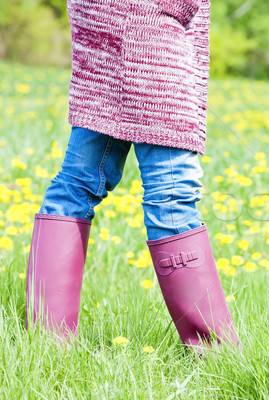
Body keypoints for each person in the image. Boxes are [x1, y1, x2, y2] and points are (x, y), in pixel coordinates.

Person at [25, 0, 240, 352]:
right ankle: (216, 356)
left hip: (105, 20)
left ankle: (45, 344)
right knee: (173, 196)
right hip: (147, 28)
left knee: (76, 184)